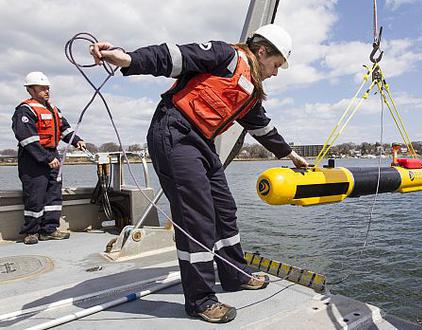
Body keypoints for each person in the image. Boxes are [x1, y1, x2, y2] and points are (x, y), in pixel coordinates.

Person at [90, 24, 308, 323]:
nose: (276, 72)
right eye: (276, 65)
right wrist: (127, 59)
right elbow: (173, 57)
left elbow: (262, 127)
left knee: (224, 209)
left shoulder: (250, 90)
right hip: (174, 133)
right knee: (197, 216)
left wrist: (291, 155)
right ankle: (200, 299)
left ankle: (235, 274)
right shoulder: (224, 55)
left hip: (201, 142)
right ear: (261, 51)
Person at [11, 71, 87, 245]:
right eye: (42, 88)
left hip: (53, 155)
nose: (47, 91)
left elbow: (64, 129)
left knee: (53, 195)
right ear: (30, 90)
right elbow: (27, 139)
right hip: (33, 159)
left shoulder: (53, 109)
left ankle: (49, 230)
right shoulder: (25, 110)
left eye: (48, 88)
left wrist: (76, 141)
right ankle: (31, 232)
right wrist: (45, 158)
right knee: (35, 196)